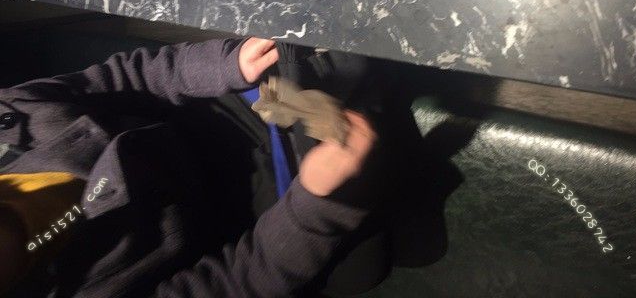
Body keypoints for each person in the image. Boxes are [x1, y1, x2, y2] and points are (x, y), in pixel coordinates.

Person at [0, 37, 381, 298]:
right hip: (252, 217)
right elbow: (236, 283)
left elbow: (130, 77)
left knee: (340, 64)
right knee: (361, 260)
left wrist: (225, 64)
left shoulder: (11, 115)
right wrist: (315, 205)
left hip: (217, 118)